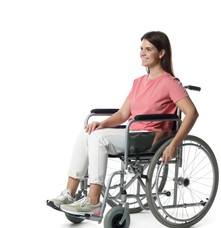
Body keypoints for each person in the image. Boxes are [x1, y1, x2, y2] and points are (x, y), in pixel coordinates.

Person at [47, 31, 199, 216]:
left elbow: (191, 113)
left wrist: (174, 144)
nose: (143, 53)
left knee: (98, 140)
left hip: (149, 138)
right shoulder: (138, 82)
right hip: (132, 133)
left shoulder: (170, 83)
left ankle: (93, 200)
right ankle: (70, 193)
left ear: (161, 53)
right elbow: (123, 114)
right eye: (141, 48)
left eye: (149, 49)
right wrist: (101, 124)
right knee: (88, 132)